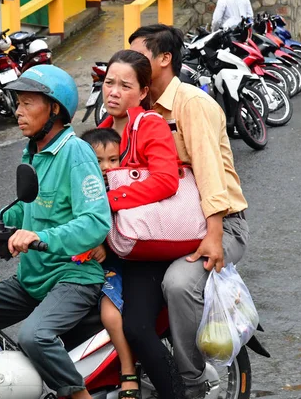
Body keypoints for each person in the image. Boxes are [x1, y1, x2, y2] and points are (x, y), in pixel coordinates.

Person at [0, 65, 111, 399]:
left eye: (27, 103)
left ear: (54, 109)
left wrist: (40, 238)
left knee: (35, 336)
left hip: (73, 276)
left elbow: (95, 221)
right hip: (32, 278)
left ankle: (77, 395)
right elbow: (26, 207)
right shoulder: (34, 153)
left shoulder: (74, 153)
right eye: (17, 103)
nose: (18, 111)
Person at [129, 25, 249, 399]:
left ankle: (192, 383)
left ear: (165, 59)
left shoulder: (192, 104)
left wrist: (215, 236)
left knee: (178, 284)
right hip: (164, 227)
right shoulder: (140, 105)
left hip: (219, 224)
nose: (132, 63)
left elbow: (210, 172)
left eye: (139, 56)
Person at [94, 49, 185, 399]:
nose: (113, 91)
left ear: (143, 92)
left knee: (138, 326)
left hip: (144, 247)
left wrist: (112, 200)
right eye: (108, 83)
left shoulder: (149, 124)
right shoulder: (101, 132)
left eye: (124, 85)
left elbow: (166, 180)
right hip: (108, 244)